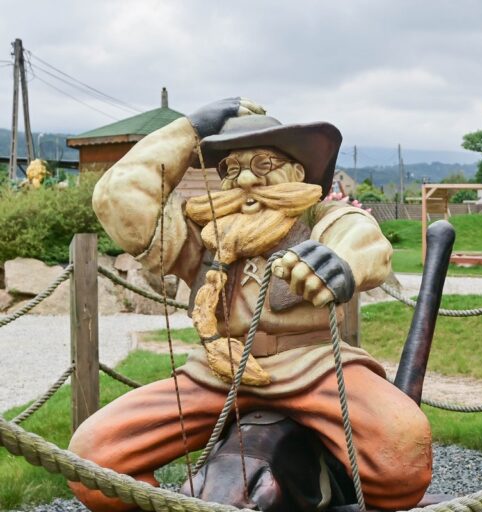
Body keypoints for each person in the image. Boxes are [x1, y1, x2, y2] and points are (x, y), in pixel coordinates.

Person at [67, 98, 432, 511]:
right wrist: (188, 130)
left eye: (262, 166)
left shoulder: (318, 220)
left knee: (403, 457)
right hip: (219, 372)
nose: (244, 181)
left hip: (312, 368)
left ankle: (325, 481)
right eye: (231, 170)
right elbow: (118, 196)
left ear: (296, 173)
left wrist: (338, 263)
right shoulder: (202, 239)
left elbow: (362, 238)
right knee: (93, 458)